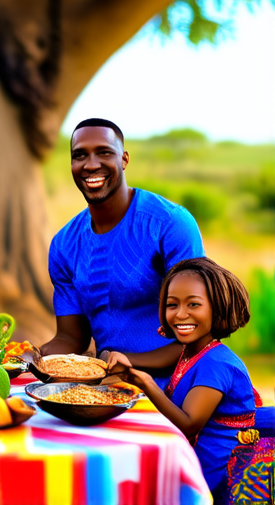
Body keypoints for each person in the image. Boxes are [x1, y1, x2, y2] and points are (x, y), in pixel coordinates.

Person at [41, 118, 205, 387]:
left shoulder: (169, 224)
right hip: (111, 387)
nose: (91, 164)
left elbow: (200, 335)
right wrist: (33, 356)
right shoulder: (64, 245)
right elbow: (72, 338)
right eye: (79, 155)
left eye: (104, 152)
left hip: (183, 386)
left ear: (124, 159)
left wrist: (124, 360)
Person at [105, 257, 259, 504]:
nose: (181, 314)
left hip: (211, 476)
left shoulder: (217, 363)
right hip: (190, 460)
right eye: (172, 304)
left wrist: (146, 384)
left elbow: (188, 423)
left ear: (217, 308)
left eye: (194, 304)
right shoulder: (193, 352)